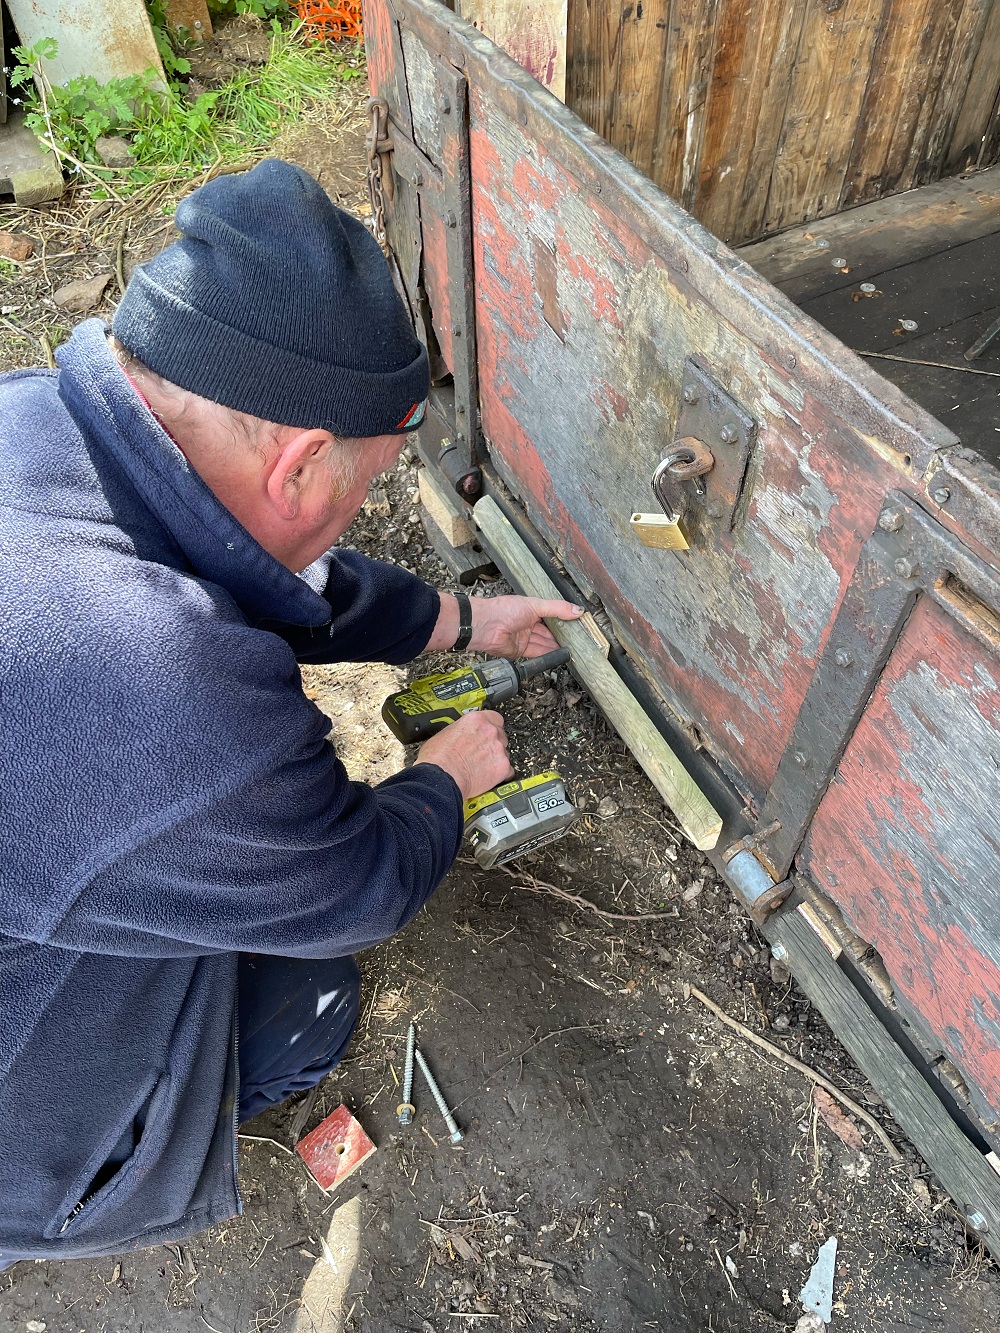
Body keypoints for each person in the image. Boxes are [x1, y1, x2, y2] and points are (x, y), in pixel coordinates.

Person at [0, 158, 582, 1264]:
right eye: (365, 485)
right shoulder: (165, 691)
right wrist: (446, 778)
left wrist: (458, 621)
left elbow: (252, 563)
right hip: (20, 1133)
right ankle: (101, 1184)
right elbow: (355, 887)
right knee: (315, 998)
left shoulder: (40, 422)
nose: (355, 512)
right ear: (306, 463)